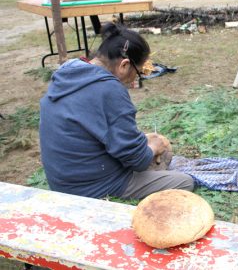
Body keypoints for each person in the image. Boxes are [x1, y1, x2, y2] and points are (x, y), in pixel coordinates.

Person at [39, 22, 194, 199]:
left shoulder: (69, 70)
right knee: (184, 181)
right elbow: (138, 161)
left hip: (61, 180)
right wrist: (152, 147)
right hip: (90, 188)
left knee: (153, 148)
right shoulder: (110, 89)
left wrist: (142, 141)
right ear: (124, 65)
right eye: (139, 71)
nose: (137, 77)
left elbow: (94, 128)